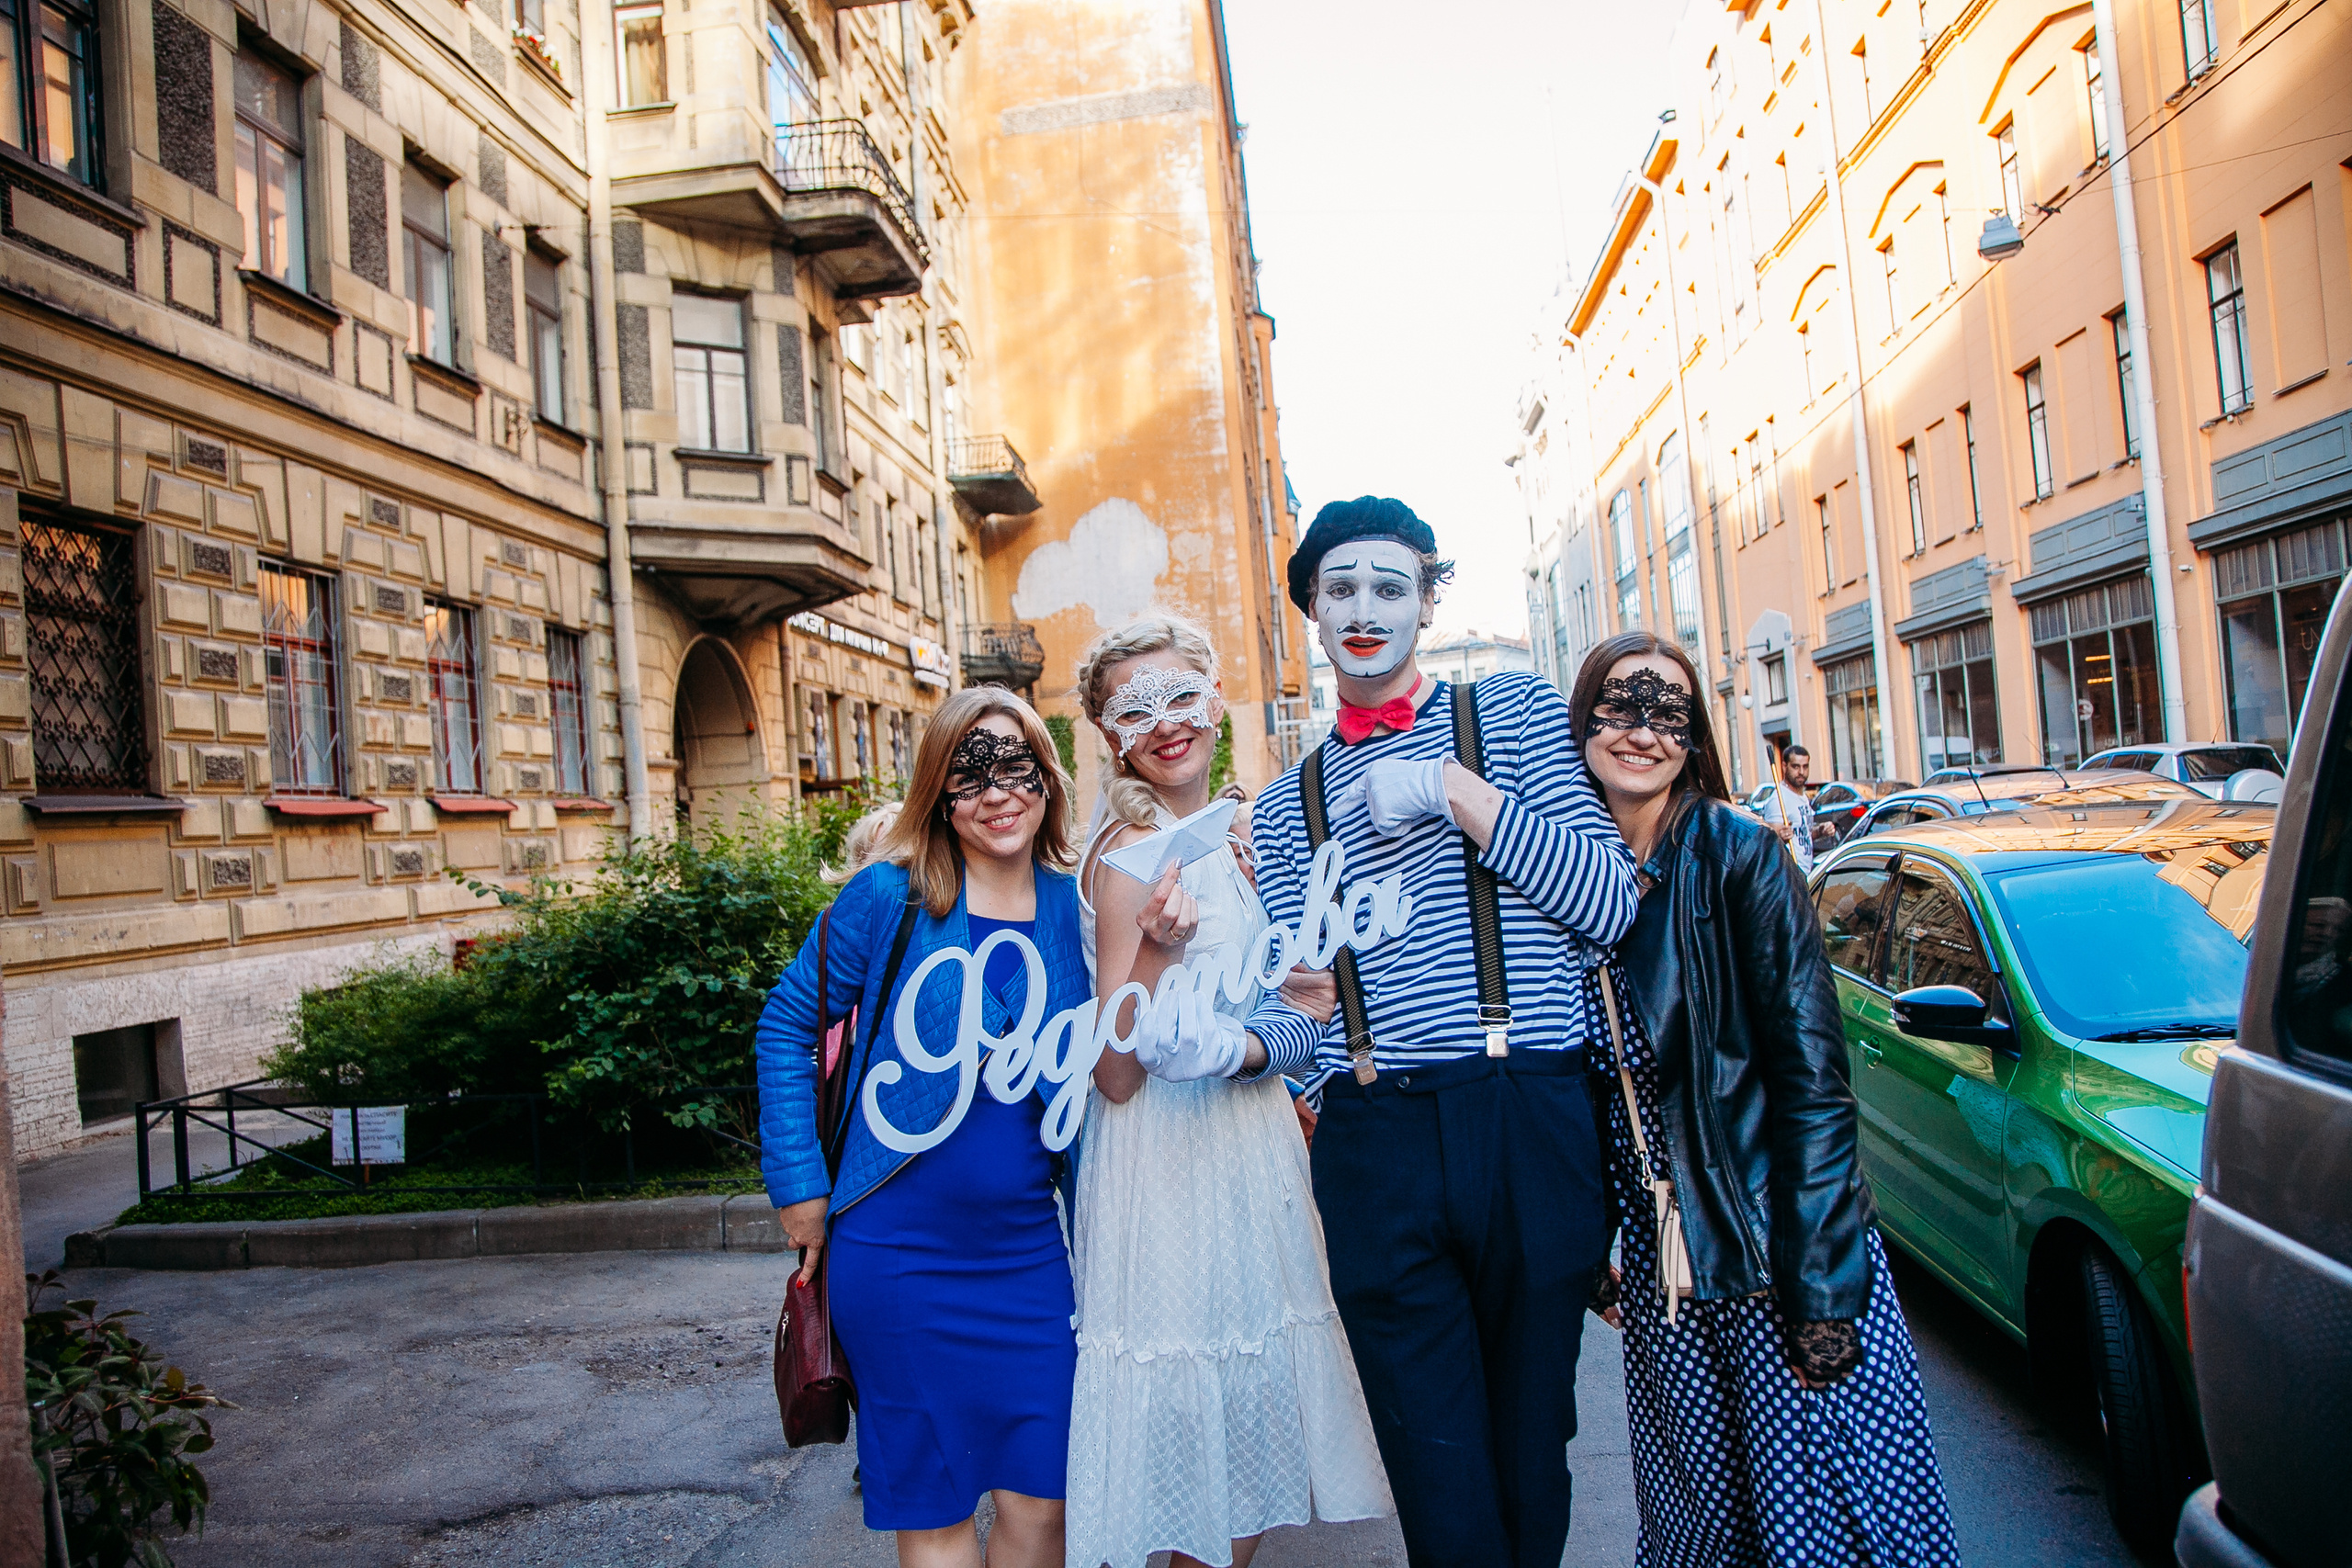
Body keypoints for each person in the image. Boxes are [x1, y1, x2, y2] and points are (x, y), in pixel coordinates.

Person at [1165, 496, 1638, 1568]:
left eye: (1390, 585)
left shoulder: (1509, 716)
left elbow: (1610, 906)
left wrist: (1451, 792)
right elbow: (1309, 1018)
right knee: (1432, 1463)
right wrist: (1233, 1047)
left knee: (1531, 1441)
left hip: (1526, 1112)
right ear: (1312, 612)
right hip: (1377, 1141)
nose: (1364, 609)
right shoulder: (1286, 808)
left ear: (1429, 600)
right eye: (1340, 589)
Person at [1570, 629, 1960, 1568]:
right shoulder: (1564, 882)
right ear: (1582, 720)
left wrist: (1822, 1290)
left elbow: (1812, 1085)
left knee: (1825, 1524)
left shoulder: (1741, 858)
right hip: (1667, 1271)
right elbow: (1568, 1087)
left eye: (1667, 712)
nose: (1641, 731)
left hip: (1771, 1250)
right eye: (1619, 705)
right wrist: (1589, 1249)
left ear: (1694, 738)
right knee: (1704, 1526)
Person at [1064, 614, 1391, 1568]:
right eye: (1134, 709)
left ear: (1215, 701)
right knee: (1191, 1444)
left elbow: (1267, 1006)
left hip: (1251, 1144)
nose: (1165, 723)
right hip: (1170, 1167)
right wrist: (1160, 951)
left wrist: (1299, 1001)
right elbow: (1115, 1076)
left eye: (1179, 696)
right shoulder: (1132, 857)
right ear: (1110, 735)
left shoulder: (1227, 834)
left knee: (1245, 1428)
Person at [755, 687, 1092, 1568]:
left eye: (1017, 766)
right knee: (935, 1513)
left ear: (1047, 781)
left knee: (1044, 1504)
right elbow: (788, 1022)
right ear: (938, 793)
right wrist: (800, 1189)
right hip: (897, 1257)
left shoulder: (1077, 909)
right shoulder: (890, 898)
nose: (998, 792)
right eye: (969, 773)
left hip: (1030, 1258)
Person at [1755, 742, 1815, 873]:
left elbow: (1802, 836)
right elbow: (1770, 843)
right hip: (1790, 874)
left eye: (1805, 766)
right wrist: (1780, 837)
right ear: (1784, 766)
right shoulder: (1779, 800)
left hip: (1806, 872)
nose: (1801, 772)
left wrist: (1820, 831)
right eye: (1796, 767)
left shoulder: (1802, 797)